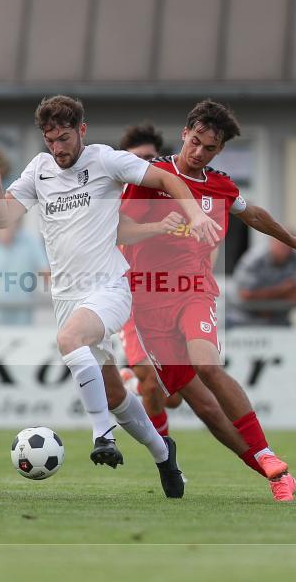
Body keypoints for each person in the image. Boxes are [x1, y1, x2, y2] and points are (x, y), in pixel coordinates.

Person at [0, 95, 221, 499]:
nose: (58, 148)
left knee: (69, 340)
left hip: (109, 286)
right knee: (115, 393)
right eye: (51, 140)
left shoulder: (105, 160)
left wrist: (194, 214)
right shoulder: (38, 170)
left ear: (82, 130)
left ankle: (102, 434)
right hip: (67, 297)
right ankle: (164, 454)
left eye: (65, 138)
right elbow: (2, 218)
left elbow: (168, 179)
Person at [119, 99, 296, 501]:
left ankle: (268, 455)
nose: (198, 152)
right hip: (148, 301)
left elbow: (252, 213)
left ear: (220, 150)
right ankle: (274, 474)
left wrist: (292, 240)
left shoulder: (220, 185)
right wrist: (159, 226)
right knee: (202, 408)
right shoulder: (151, 177)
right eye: (195, 142)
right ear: (184, 134)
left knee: (207, 365)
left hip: (194, 290)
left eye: (209, 148)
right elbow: (119, 230)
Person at [115, 123, 183, 436]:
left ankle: (131, 383)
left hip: (169, 298)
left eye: (150, 159)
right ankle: (165, 454)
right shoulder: (114, 197)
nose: (143, 165)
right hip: (130, 298)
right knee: (152, 380)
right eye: (137, 158)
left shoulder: (167, 197)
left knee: (174, 397)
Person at [230, 236, 296, 326]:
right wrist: (284, 289)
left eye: (289, 245)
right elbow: (245, 295)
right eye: (282, 245)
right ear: (271, 243)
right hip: (243, 320)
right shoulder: (254, 258)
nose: (285, 249)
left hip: (279, 321)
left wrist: (268, 304)